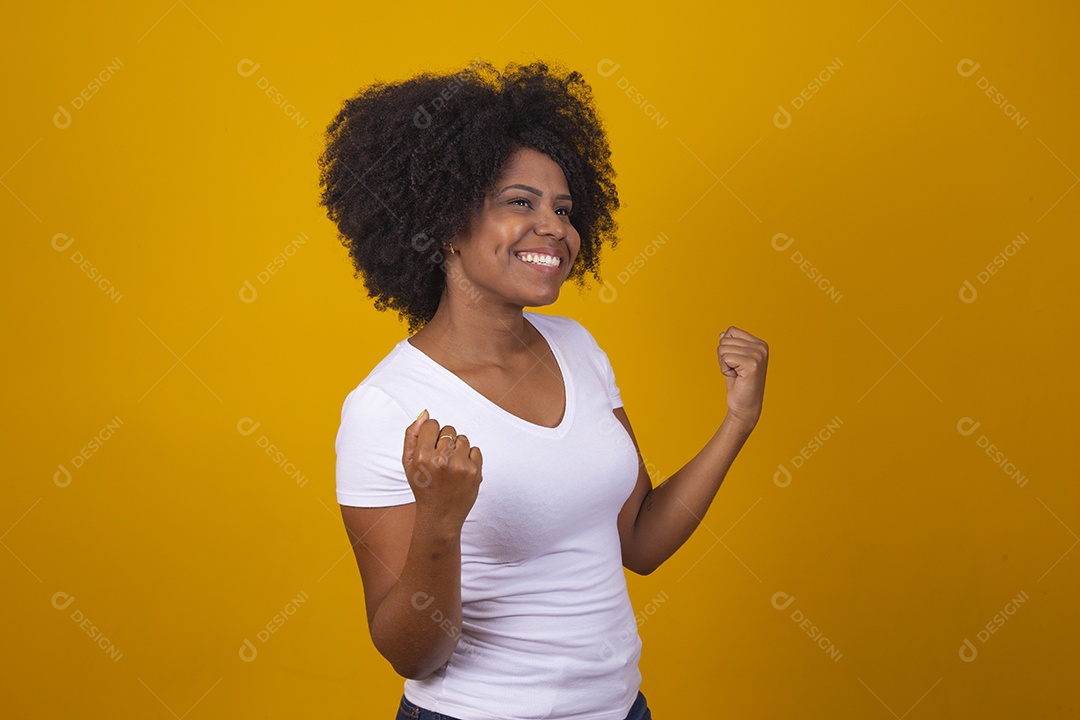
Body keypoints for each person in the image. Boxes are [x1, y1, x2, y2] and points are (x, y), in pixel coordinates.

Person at [318, 60, 768, 720]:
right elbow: (414, 655)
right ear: (444, 222)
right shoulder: (386, 408)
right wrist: (439, 525)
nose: (555, 227)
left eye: (563, 208)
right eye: (519, 203)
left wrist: (737, 422)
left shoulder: (577, 347)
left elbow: (638, 543)